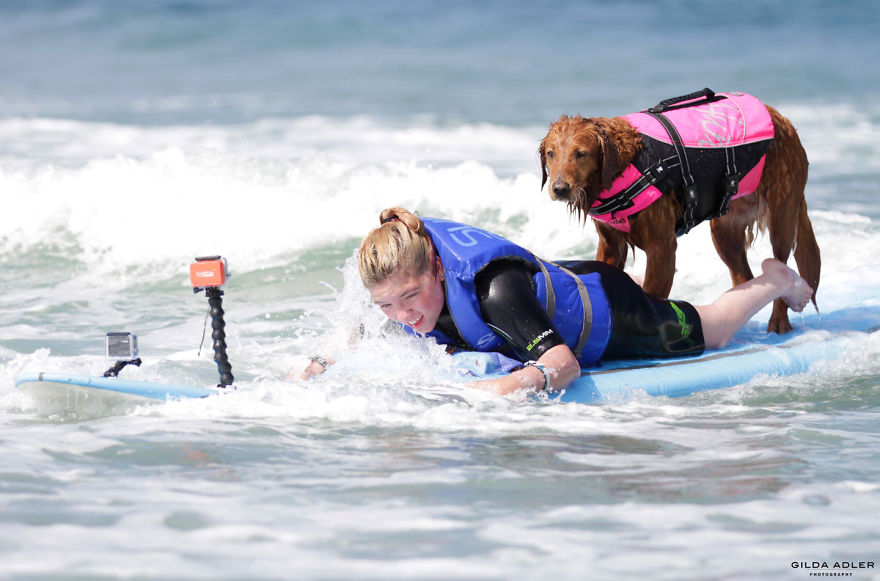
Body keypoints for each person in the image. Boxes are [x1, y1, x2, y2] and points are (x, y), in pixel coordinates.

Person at [302, 207, 813, 396]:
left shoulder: (494, 290)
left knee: (713, 328)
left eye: (411, 297)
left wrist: (502, 391)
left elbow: (562, 365)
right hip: (562, 282)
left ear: (437, 267)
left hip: (611, 316)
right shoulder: (398, 293)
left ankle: (774, 279)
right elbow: (359, 334)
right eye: (388, 305)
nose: (403, 316)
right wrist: (319, 366)